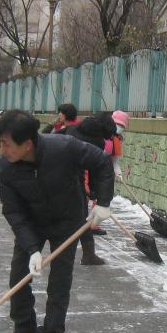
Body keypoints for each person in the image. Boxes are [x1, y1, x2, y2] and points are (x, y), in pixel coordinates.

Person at [0, 109, 114, 333]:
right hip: (32, 223)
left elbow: (103, 162)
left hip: (67, 221)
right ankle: (24, 330)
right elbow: (13, 210)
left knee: (60, 280)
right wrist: (32, 248)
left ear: (27, 144)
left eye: (6, 143)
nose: (1, 149)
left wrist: (103, 203)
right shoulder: (4, 167)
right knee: (19, 274)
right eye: (0, 142)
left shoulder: (64, 147)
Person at [65, 112, 118, 265]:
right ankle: (87, 254)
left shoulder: (74, 128)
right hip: (72, 179)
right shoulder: (96, 141)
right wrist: (97, 194)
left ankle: (88, 254)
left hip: (62, 173)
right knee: (81, 217)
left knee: (80, 216)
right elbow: (97, 169)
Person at [109, 110, 130, 181]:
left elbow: (114, 161)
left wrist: (119, 174)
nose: (119, 127)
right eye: (118, 124)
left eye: (122, 126)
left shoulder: (117, 140)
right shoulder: (101, 135)